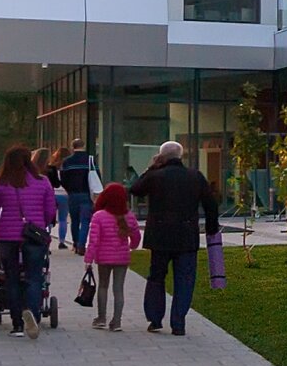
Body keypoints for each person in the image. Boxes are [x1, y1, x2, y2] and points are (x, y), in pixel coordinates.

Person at [129, 139, 215, 335]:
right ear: (181, 156)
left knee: (156, 277)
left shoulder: (155, 176)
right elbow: (210, 203)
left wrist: (151, 168)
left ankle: (155, 318)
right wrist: (211, 227)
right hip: (186, 235)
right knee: (184, 279)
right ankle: (179, 322)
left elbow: (135, 189)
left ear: (161, 157)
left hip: (160, 235)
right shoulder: (195, 176)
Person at [0, 144, 57, 340]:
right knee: (34, 277)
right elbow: (50, 211)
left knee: (11, 279)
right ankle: (32, 313)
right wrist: (43, 224)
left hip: (7, 236)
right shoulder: (43, 182)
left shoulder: (0, 183)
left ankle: (16, 324)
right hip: (34, 235)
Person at [83, 182, 140, 331]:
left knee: (103, 286)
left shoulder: (99, 216)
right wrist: (132, 246)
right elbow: (136, 237)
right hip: (122, 257)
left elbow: (93, 240)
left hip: (103, 258)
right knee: (118, 289)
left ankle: (101, 318)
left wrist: (88, 259)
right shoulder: (129, 216)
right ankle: (117, 321)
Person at [55, 143, 95, 253]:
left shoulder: (67, 162)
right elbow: (96, 177)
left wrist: (69, 189)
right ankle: (82, 245)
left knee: (75, 220)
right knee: (85, 220)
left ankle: (76, 243)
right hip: (86, 194)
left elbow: (62, 180)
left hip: (72, 194)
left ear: (73, 147)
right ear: (83, 146)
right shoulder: (90, 160)